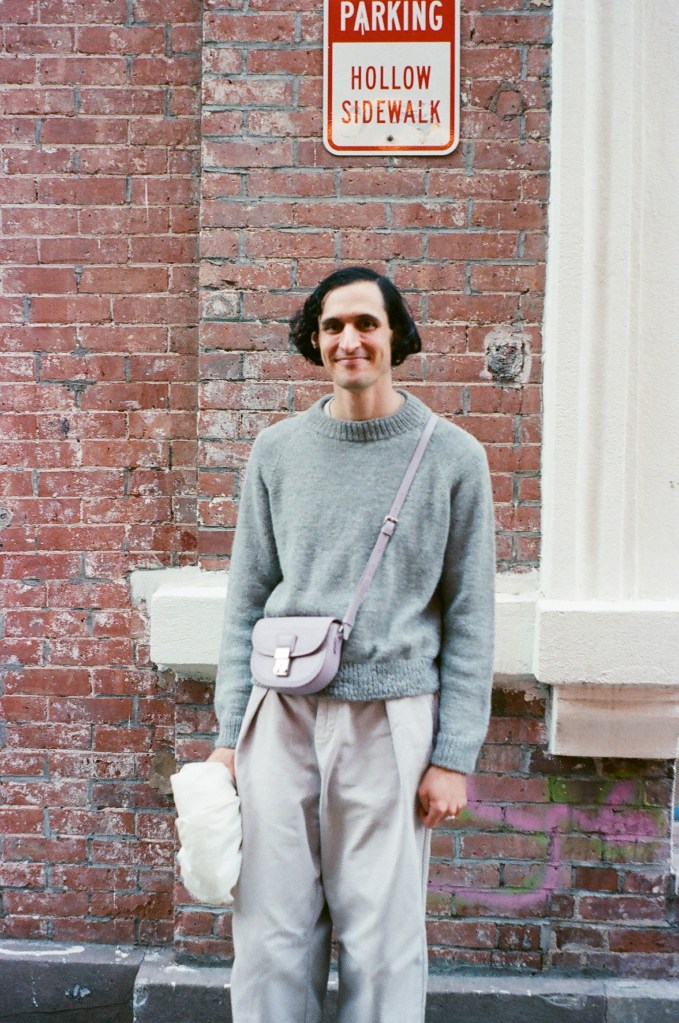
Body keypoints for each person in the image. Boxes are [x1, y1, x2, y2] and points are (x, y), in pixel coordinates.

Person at [208, 266, 495, 1023]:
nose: (349, 340)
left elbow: (470, 614)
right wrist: (227, 737)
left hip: (392, 720)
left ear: (396, 334)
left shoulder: (452, 457)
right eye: (332, 326)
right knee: (269, 931)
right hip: (279, 716)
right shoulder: (275, 452)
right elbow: (244, 600)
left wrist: (453, 755)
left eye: (366, 323)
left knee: (382, 939)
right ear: (314, 339)